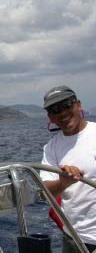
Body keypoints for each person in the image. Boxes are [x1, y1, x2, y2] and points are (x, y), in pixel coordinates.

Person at [40, 86, 96, 252]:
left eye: (67, 105)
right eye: (55, 110)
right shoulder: (51, 148)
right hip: (73, 239)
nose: (62, 113)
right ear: (50, 117)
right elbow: (45, 193)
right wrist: (63, 182)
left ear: (78, 105)